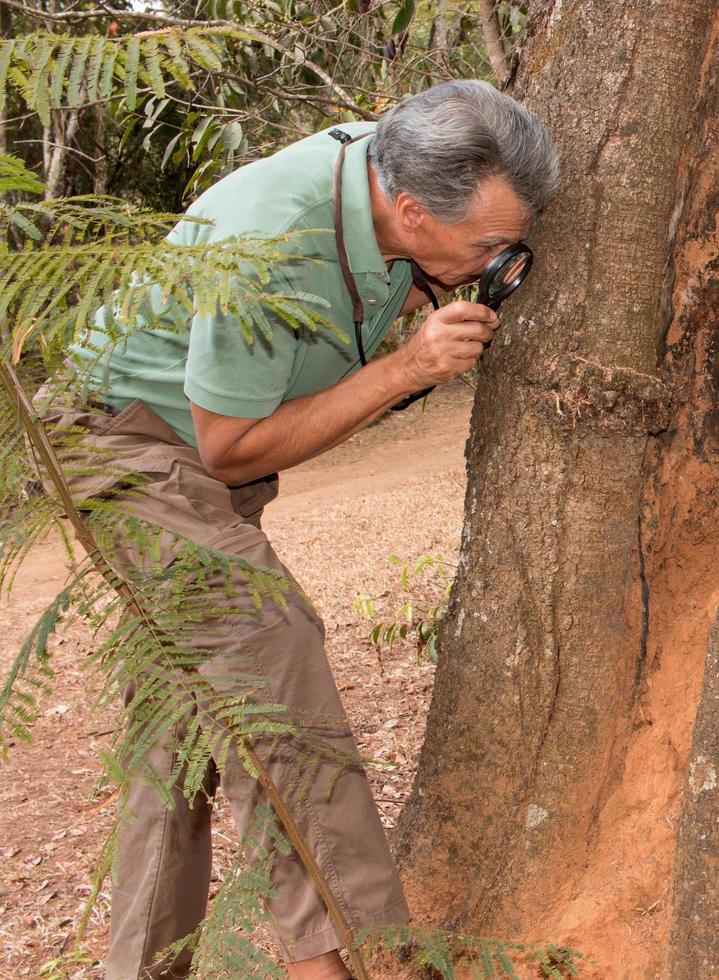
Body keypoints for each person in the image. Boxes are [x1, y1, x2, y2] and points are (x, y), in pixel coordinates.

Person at [52, 79, 560, 980]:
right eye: (488, 247)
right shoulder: (272, 240)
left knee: (180, 735)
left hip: (195, 450)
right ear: (408, 210)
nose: (500, 262)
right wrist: (404, 369)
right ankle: (358, 961)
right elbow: (230, 449)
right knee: (271, 650)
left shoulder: (399, 165)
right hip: (132, 449)